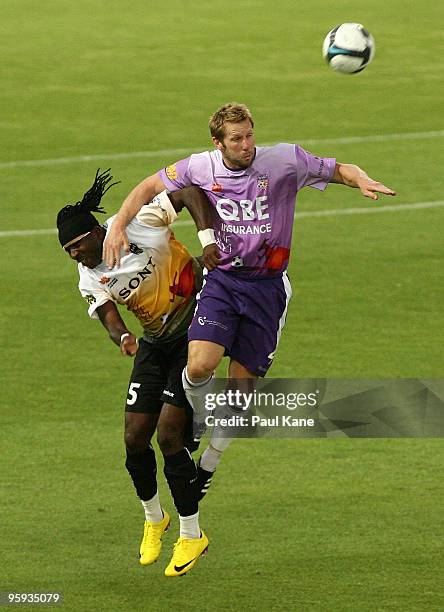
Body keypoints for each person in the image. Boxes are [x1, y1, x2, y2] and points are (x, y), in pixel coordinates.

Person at [103, 102, 396, 495]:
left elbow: (338, 168)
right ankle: (198, 419)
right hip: (223, 281)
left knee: (240, 399)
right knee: (199, 365)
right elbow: (149, 186)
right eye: (237, 139)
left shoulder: (284, 161)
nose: (246, 145)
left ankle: (206, 467)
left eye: (249, 135)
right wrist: (118, 224)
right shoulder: (200, 167)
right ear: (218, 143)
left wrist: (361, 179)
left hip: (267, 288)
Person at [57, 168, 220, 577]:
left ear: (98, 232)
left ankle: (192, 533)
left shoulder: (137, 222)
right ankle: (154, 520)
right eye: (68, 252)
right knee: (134, 438)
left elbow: (187, 193)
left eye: (78, 246)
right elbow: (108, 316)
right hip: (153, 344)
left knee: (167, 437)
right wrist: (124, 339)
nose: (76, 256)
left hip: (194, 330)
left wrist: (207, 240)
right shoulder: (90, 273)